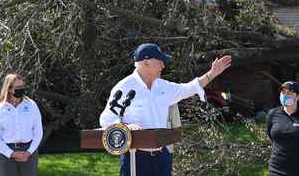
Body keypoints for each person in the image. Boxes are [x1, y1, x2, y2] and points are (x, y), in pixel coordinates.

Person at [99, 43, 232, 176]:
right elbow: (107, 120)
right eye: (160, 62)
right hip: (135, 158)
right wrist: (125, 127)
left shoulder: (162, 86)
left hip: (162, 157)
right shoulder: (124, 87)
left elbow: (188, 89)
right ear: (146, 63)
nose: (163, 65)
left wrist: (211, 74)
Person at [0, 74, 43, 176]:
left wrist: (28, 152)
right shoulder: (0, 109)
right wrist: (11, 153)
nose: (21, 90)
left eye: (22, 87)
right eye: (18, 88)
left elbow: (38, 132)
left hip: (29, 152)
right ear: (9, 89)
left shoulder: (32, 105)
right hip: (6, 153)